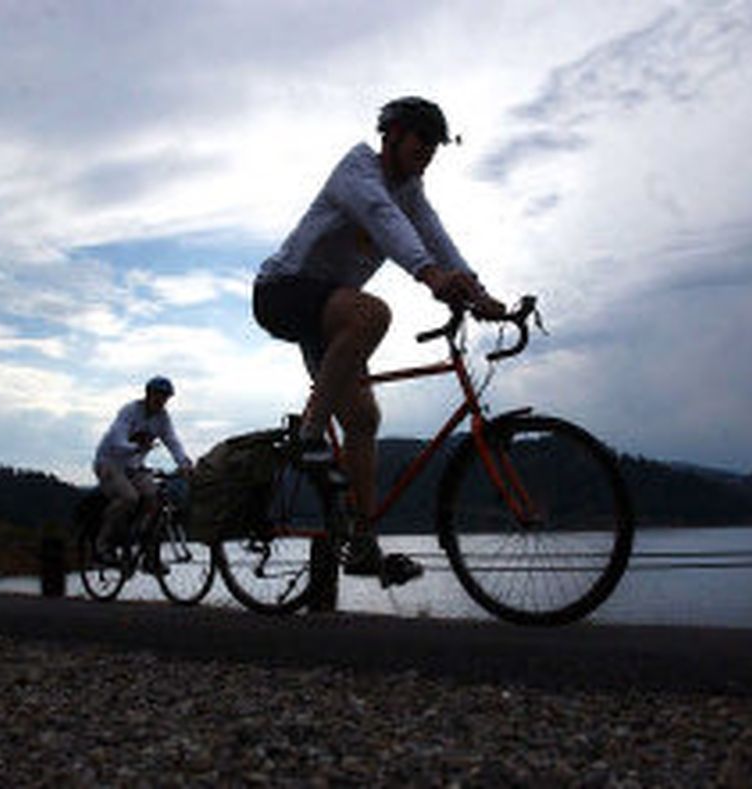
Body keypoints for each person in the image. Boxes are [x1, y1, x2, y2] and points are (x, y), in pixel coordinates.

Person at [252, 96, 505, 586]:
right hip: (282, 291)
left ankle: (362, 544)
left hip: (327, 310)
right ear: (392, 135)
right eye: (421, 140)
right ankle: (309, 436)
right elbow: (382, 218)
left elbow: (434, 234)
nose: (428, 151)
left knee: (364, 419)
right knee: (373, 313)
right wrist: (429, 276)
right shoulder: (357, 169)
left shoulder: (411, 189)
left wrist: (478, 291)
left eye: (435, 145)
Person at [92, 376, 194, 573]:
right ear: (148, 394)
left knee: (155, 500)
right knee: (129, 498)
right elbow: (116, 440)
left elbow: (172, 441)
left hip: (134, 467)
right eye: (159, 395)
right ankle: (102, 546)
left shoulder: (163, 418)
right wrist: (136, 447)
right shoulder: (130, 411)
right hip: (109, 462)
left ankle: (149, 557)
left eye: (166, 397)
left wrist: (184, 462)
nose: (162, 401)